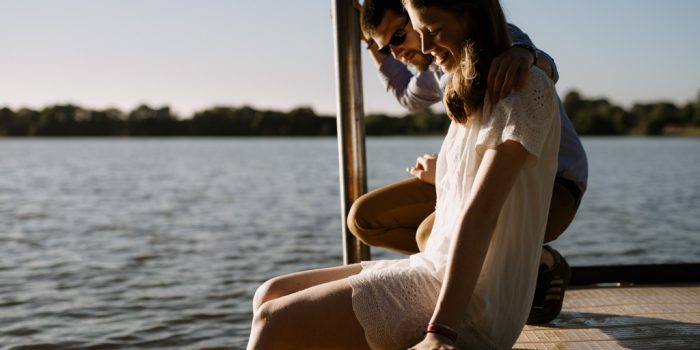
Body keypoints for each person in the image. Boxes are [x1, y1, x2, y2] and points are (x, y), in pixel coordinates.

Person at [247, 0, 564, 348]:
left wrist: (441, 331)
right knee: (269, 293)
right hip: (431, 267)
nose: (425, 47)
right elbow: (406, 93)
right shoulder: (466, 85)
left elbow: (481, 215)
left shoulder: (521, 86)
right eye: (419, 32)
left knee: (273, 321)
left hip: (475, 302)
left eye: (433, 31)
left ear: (470, 12)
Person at [348, 0, 588, 324]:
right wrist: (447, 168)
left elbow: (536, 63)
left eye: (398, 36)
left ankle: (527, 264)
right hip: (472, 178)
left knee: (427, 235)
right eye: (387, 47)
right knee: (364, 219)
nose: (402, 50)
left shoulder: (489, 40)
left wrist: (524, 54)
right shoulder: (438, 70)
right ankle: (516, 265)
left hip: (553, 185)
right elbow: (404, 93)